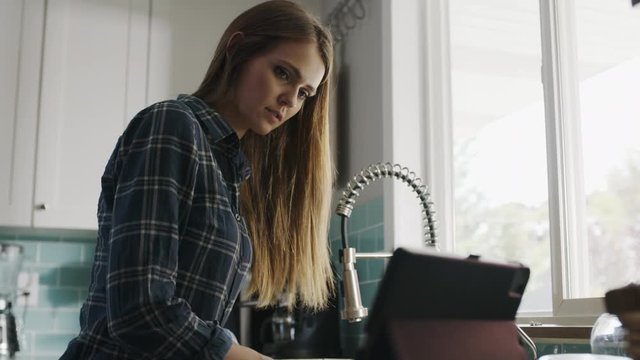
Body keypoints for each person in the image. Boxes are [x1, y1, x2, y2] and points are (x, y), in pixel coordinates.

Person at [59, 1, 335, 359]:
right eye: (282, 73)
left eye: (304, 93)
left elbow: (194, 318)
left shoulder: (228, 170)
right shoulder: (172, 126)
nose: (290, 101)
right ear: (237, 50)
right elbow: (140, 313)